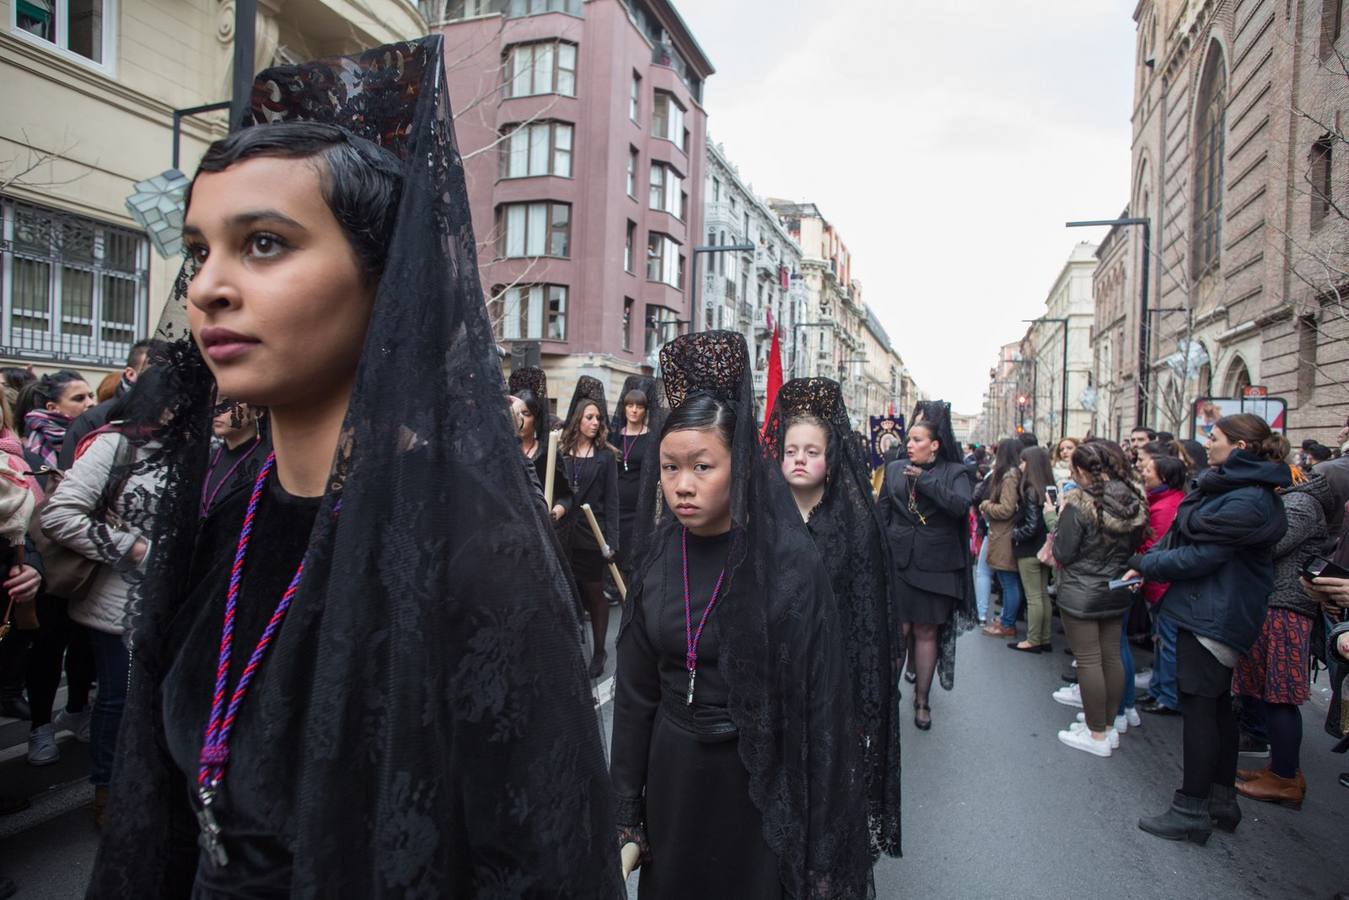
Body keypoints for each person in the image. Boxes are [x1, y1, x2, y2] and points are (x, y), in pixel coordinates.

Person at [88, 39, 619, 896]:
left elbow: (542, 862)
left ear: (386, 281)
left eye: (263, 244)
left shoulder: (472, 555)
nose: (209, 288)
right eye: (199, 249)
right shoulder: (227, 517)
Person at [610, 331, 873, 898]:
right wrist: (626, 811)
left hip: (759, 789)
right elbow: (633, 698)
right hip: (674, 782)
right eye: (668, 468)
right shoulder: (657, 562)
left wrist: (818, 838)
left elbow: (821, 708)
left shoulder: (790, 565)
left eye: (702, 466)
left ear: (742, 465)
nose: (683, 485)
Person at [1129, 413, 1290, 844]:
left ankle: (1191, 809)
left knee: (1202, 708)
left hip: (1215, 613)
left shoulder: (1248, 499)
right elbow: (1188, 539)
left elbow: (1200, 556)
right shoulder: (1235, 490)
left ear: (1239, 447)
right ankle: (1220, 802)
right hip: (1210, 608)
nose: (1207, 443)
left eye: (1214, 438)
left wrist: (1144, 563)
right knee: (1216, 706)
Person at [763, 377, 901, 859]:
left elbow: (868, 623)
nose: (799, 458)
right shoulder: (762, 522)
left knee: (821, 796)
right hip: (773, 679)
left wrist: (862, 707)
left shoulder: (854, 526)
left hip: (830, 683)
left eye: (811, 450)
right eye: (790, 449)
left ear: (832, 458)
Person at [40, 370, 167, 826]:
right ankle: (108, 791)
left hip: (178, 603)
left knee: (161, 700)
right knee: (118, 699)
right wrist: (133, 548)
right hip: (119, 602)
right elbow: (59, 515)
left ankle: (150, 789)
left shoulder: (205, 451)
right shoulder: (117, 444)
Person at [1233, 454, 1335, 808]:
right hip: (1275, 604)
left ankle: (1285, 777)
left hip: (1287, 606)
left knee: (1281, 693)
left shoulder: (1302, 504)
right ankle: (1282, 768)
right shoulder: (1293, 500)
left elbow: (1271, 545)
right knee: (1271, 691)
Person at [878, 400, 975, 730]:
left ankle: (922, 699)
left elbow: (961, 506)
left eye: (918, 440)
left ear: (935, 445)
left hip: (937, 565)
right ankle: (887, 699)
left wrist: (926, 481)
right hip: (898, 561)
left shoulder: (956, 472)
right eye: (909, 439)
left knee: (925, 631)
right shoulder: (893, 468)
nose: (910, 444)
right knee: (897, 631)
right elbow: (883, 513)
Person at [1049, 441, 1148, 757]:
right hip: (1117, 586)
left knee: (1090, 660)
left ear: (1081, 470)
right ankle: (1106, 724)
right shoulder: (1134, 500)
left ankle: (1095, 734)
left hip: (1081, 588)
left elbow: (1063, 552)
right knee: (1111, 657)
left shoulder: (1080, 504)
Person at [560, 390, 620, 678]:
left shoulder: (605, 458)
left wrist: (612, 543)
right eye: (590, 417)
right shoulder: (562, 454)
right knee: (568, 594)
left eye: (598, 418)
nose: (596, 422)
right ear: (578, 420)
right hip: (564, 536)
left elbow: (612, 501)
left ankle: (599, 651)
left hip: (592, 536)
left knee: (595, 592)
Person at [57, 339, 163, 470]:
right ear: (130, 374)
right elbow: (69, 478)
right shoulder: (92, 420)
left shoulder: (177, 418)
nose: (161, 378)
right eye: (153, 370)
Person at [1136, 453, 1187, 718]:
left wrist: (1138, 564)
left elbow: (1155, 546)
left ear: (1164, 477)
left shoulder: (1167, 507)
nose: (1143, 473)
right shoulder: (1159, 501)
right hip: (1155, 581)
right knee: (1160, 640)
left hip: (1162, 584)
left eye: (1149, 470)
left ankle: (1168, 696)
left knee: (1166, 642)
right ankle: (1158, 689)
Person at [610, 376, 665, 583]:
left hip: (640, 509)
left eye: (639, 407)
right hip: (617, 508)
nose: (634, 410)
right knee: (617, 560)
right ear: (624, 408)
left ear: (645, 410)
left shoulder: (651, 437)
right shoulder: (615, 436)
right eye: (630, 405)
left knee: (637, 561)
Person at [1009, 446, 1055, 653]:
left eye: (1023, 461)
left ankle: (1034, 639)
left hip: (1030, 549)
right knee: (1042, 594)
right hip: (1045, 546)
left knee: (1034, 596)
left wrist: (1014, 535)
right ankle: (1043, 637)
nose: (1020, 465)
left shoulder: (1030, 489)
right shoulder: (1048, 487)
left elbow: (1031, 525)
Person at [979, 440, 1023, 638]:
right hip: (1004, 532)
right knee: (1008, 581)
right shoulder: (1012, 474)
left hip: (1005, 533)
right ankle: (1006, 618)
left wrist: (986, 505)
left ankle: (1007, 623)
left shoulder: (1009, 475)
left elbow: (1006, 508)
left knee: (1008, 581)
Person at [200, 401, 269, 517]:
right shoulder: (209, 457)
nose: (217, 411)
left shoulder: (268, 462)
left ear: (258, 411)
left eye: (230, 402)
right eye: (215, 402)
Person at [18, 371, 97, 470]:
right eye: (79, 398)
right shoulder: (38, 442)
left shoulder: (98, 430)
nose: (91, 403)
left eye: (91, 396)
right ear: (52, 407)